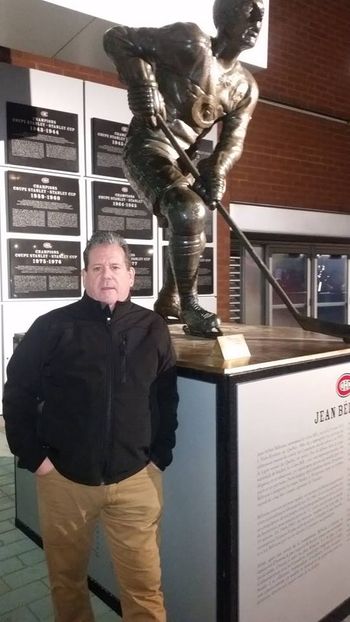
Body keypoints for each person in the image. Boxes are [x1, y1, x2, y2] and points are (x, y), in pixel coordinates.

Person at [3, 231, 178, 622]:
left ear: (132, 275)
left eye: (115, 267)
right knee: (67, 583)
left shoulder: (152, 328)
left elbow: (166, 398)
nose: (107, 275)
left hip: (136, 481)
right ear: (84, 276)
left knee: (145, 589)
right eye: (97, 267)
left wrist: (160, 454)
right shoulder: (52, 327)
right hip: (65, 481)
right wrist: (35, 458)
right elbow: (17, 393)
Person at [103, 0, 265, 337]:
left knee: (191, 215)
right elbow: (118, 38)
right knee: (188, 210)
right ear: (225, 14)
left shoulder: (245, 86)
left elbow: (232, 141)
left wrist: (217, 170)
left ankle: (170, 299)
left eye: (262, 10)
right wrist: (142, 84)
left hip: (182, 157)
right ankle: (189, 304)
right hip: (147, 146)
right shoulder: (190, 42)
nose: (259, 18)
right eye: (249, 9)